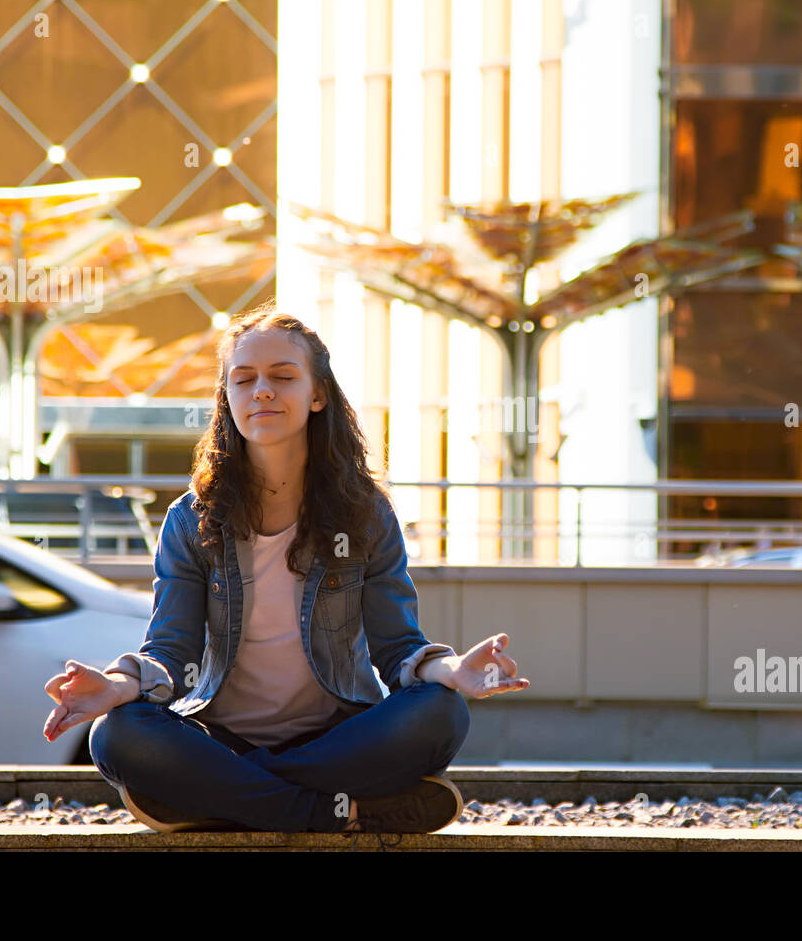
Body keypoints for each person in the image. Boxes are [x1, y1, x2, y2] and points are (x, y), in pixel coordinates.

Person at [42, 305, 529, 838]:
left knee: (442, 713)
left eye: (282, 377)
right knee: (116, 736)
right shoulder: (191, 518)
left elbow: (397, 650)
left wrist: (454, 672)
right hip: (220, 737)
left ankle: (215, 796)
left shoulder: (365, 513)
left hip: (339, 736)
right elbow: (170, 651)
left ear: (317, 395)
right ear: (227, 397)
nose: (262, 391)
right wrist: (117, 684)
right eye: (244, 379)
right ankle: (332, 812)